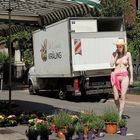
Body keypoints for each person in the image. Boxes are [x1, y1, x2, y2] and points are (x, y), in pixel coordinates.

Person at [110, 38, 133, 119]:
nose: (118, 47)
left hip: (124, 76)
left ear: (123, 46)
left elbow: (130, 66)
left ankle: (120, 115)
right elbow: (111, 64)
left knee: (122, 96)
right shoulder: (114, 54)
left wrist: (131, 78)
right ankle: (119, 109)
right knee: (116, 97)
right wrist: (116, 56)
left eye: (120, 46)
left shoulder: (128, 54)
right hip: (115, 76)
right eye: (117, 46)